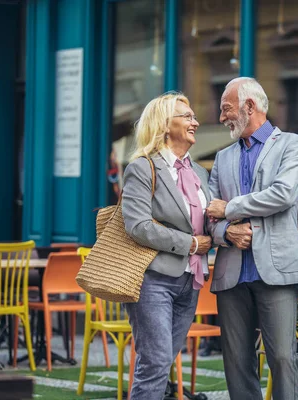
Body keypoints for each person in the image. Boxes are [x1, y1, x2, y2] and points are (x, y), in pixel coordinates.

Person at [206, 77, 298, 399]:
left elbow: (283, 195)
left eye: (226, 108)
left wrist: (230, 208)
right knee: (236, 362)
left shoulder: (293, 144)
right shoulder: (223, 157)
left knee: (282, 357)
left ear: (249, 106)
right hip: (232, 273)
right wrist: (225, 231)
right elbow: (208, 215)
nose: (222, 117)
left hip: (277, 270)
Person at [121, 91, 212, 399]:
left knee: (163, 361)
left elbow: (208, 222)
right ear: (164, 124)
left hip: (190, 281)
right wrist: (189, 244)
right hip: (153, 280)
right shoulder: (142, 168)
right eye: (186, 117)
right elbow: (138, 226)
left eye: (194, 116)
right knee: (156, 360)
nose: (195, 122)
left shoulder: (199, 173)